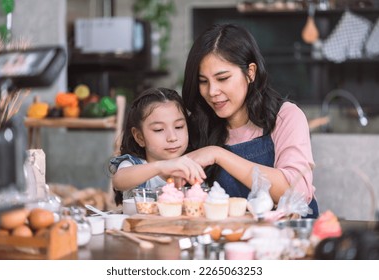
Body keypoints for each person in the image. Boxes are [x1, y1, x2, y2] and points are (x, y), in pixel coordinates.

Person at [181, 23, 319, 218]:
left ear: (250, 72)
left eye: (223, 78)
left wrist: (217, 154)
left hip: (287, 240)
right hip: (227, 241)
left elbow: (297, 192)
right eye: (203, 81)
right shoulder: (198, 124)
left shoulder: (286, 116)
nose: (212, 92)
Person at [109, 87, 206, 205]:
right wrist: (162, 166)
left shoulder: (194, 163)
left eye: (179, 127)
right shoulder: (134, 164)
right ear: (139, 137)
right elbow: (119, 181)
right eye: (159, 129)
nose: (172, 137)